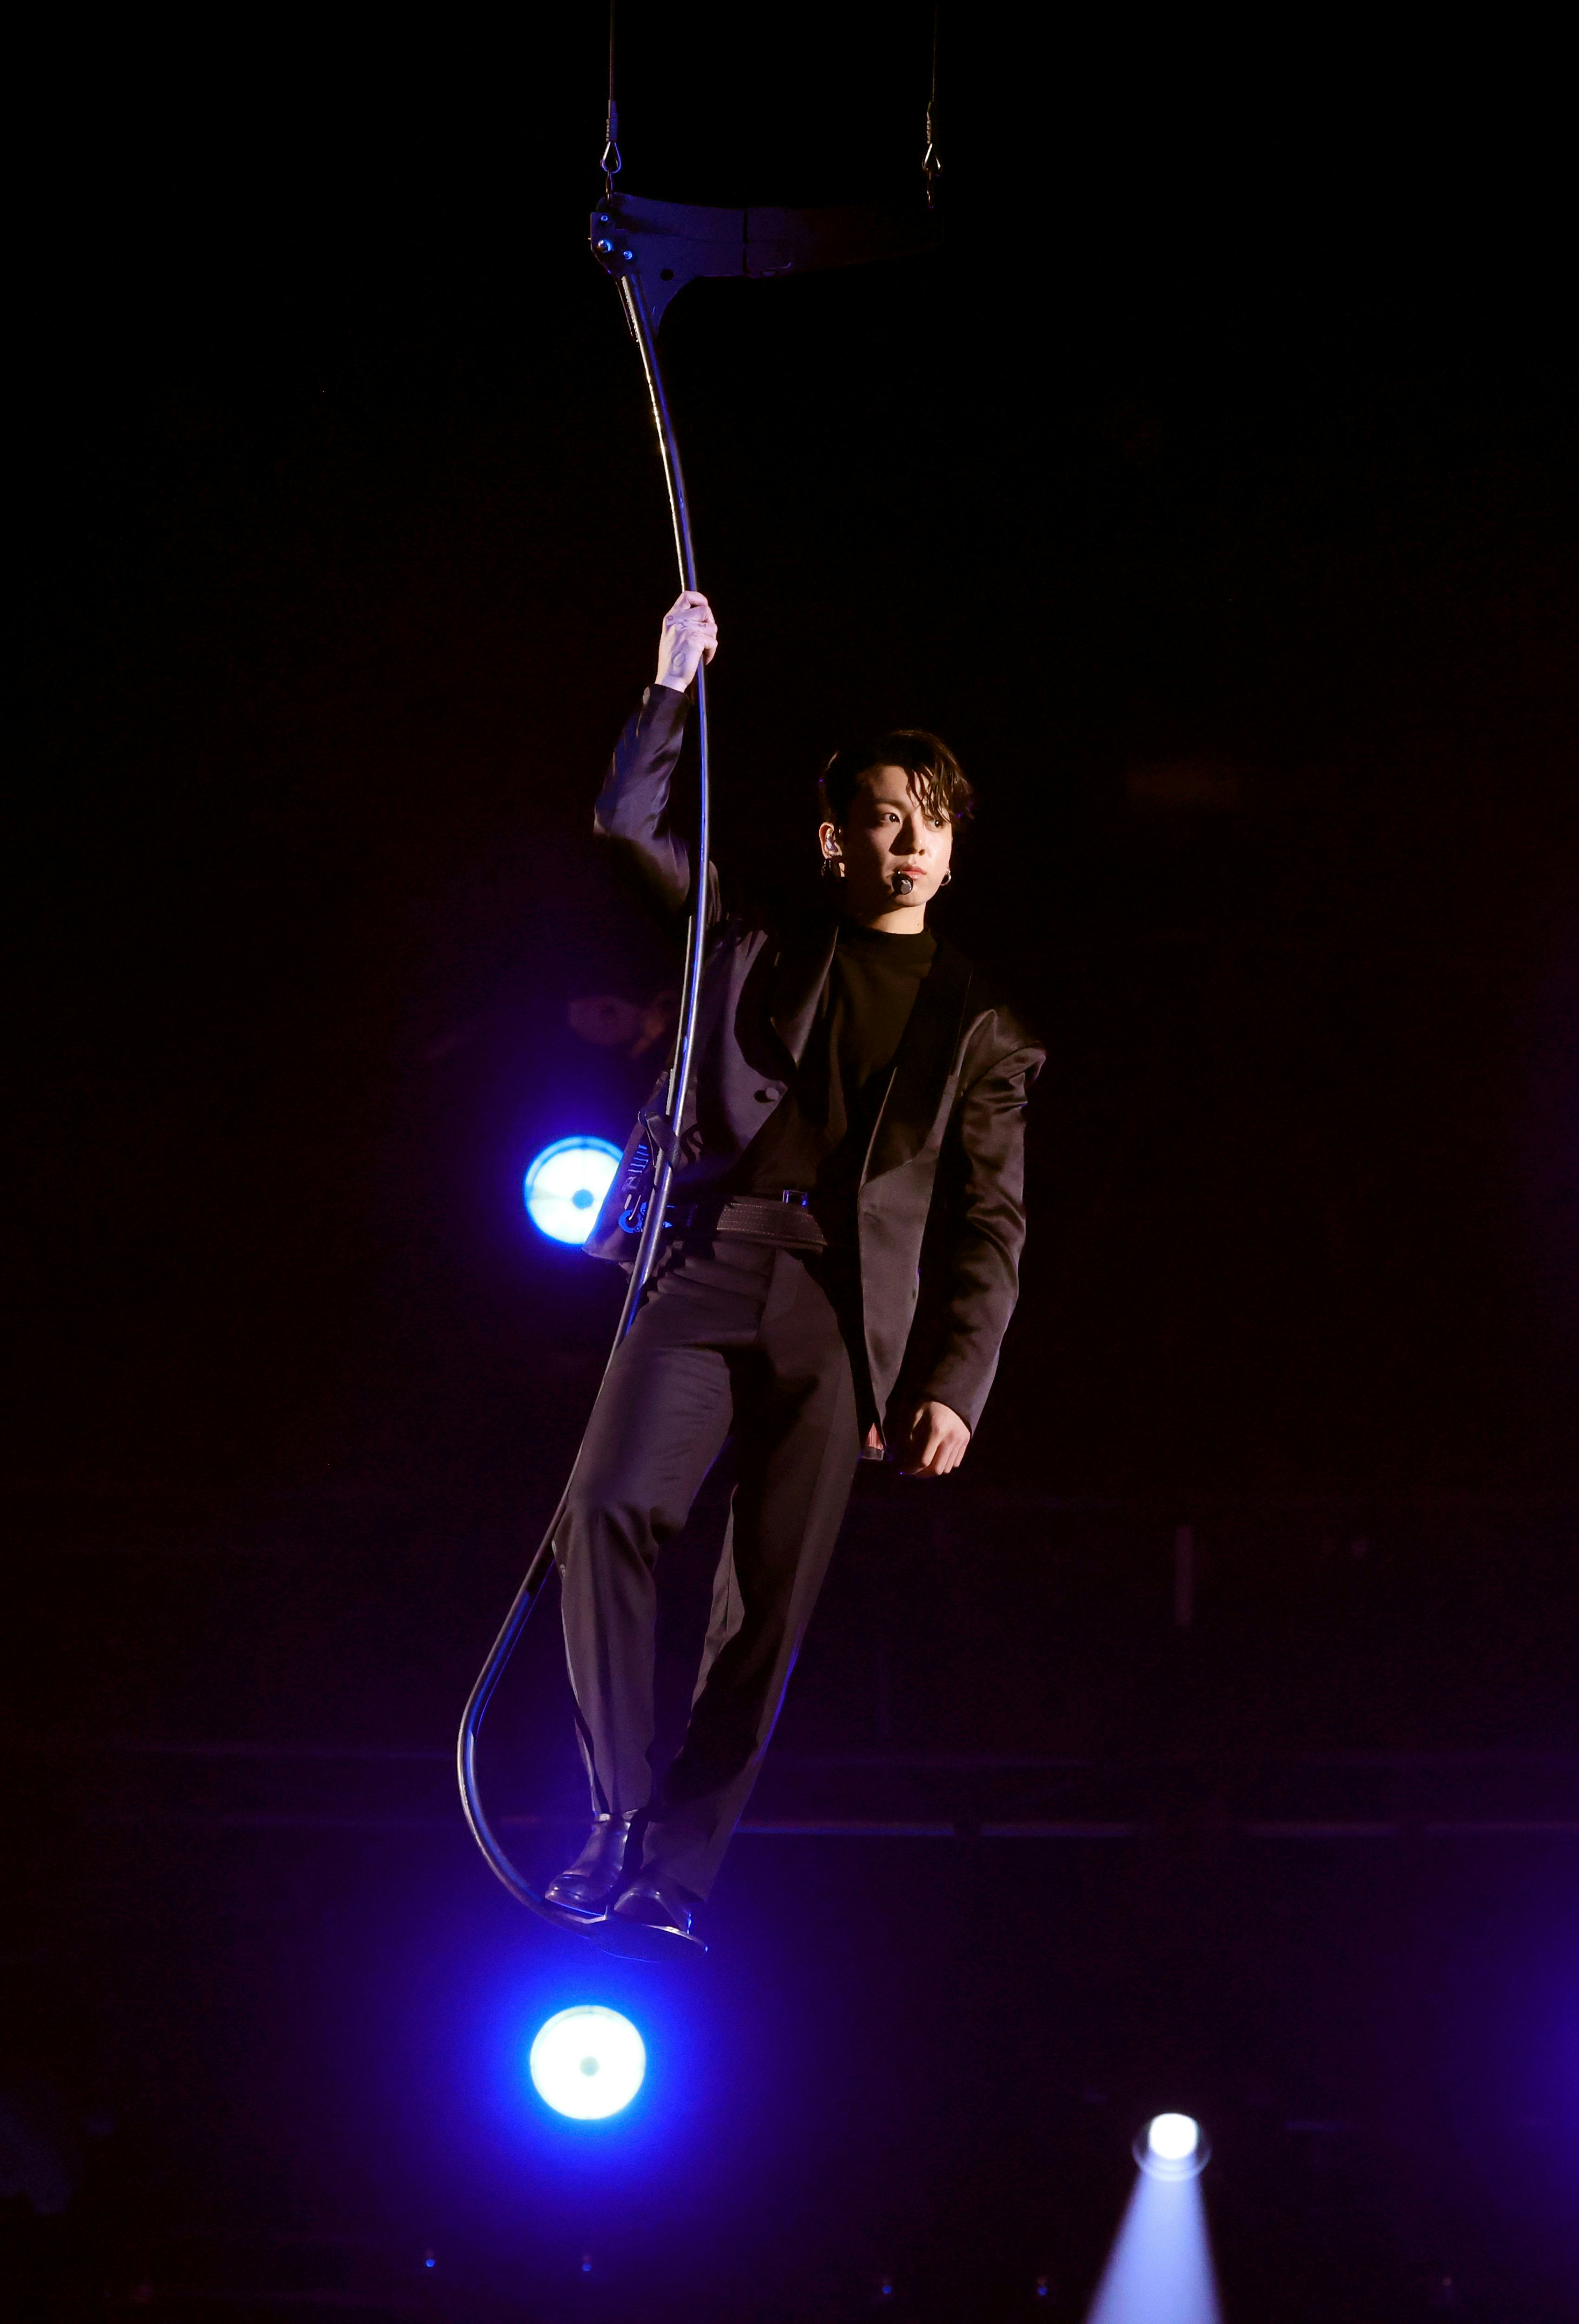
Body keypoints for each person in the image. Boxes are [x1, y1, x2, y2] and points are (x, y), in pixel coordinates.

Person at [547, 590, 1044, 1945]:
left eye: (932, 816)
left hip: (842, 1316)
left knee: (766, 1602)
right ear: (838, 838)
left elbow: (990, 1220)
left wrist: (954, 1379)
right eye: (887, 815)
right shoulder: (751, 936)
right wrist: (667, 690)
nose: (912, 840)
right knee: (606, 1513)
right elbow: (627, 830)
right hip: (712, 1262)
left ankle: (677, 1877)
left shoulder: (983, 1026)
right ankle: (617, 1812)